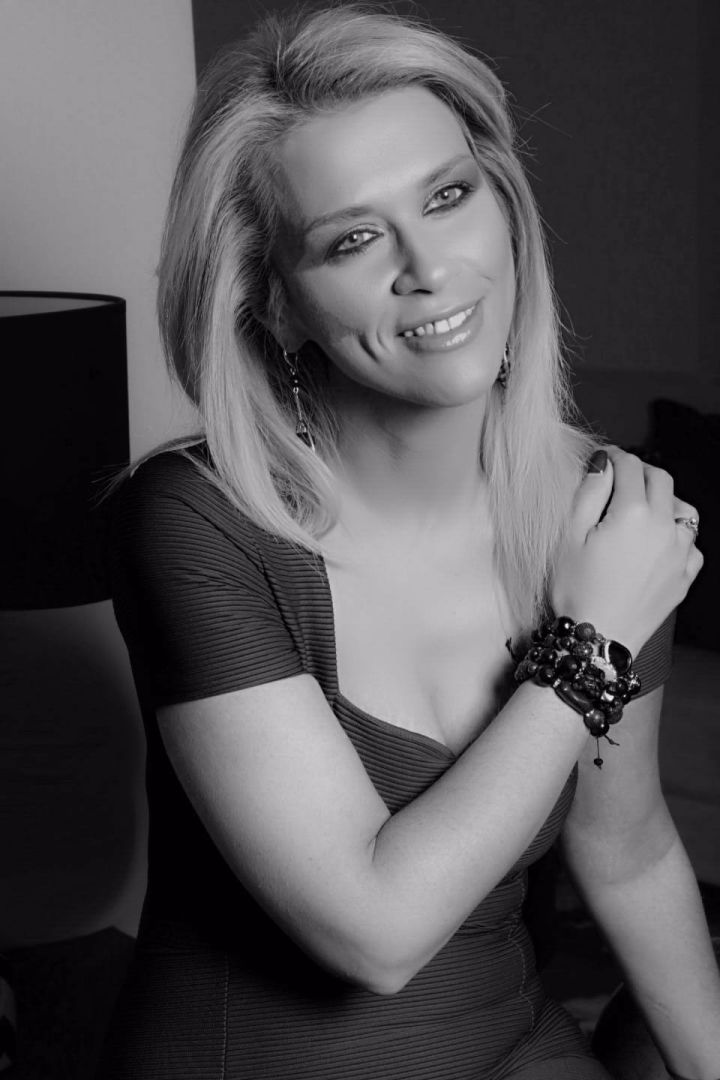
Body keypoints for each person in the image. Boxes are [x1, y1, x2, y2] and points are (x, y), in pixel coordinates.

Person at [99, 6, 720, 1079]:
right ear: (276, 304)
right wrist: (595, 640)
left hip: (513, 1046)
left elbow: (624, 851)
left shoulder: (598, 519)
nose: (428, 267)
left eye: (447, 197)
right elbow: (373, 931)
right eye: (352, 239)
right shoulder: (197, 522)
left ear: (505, 207)